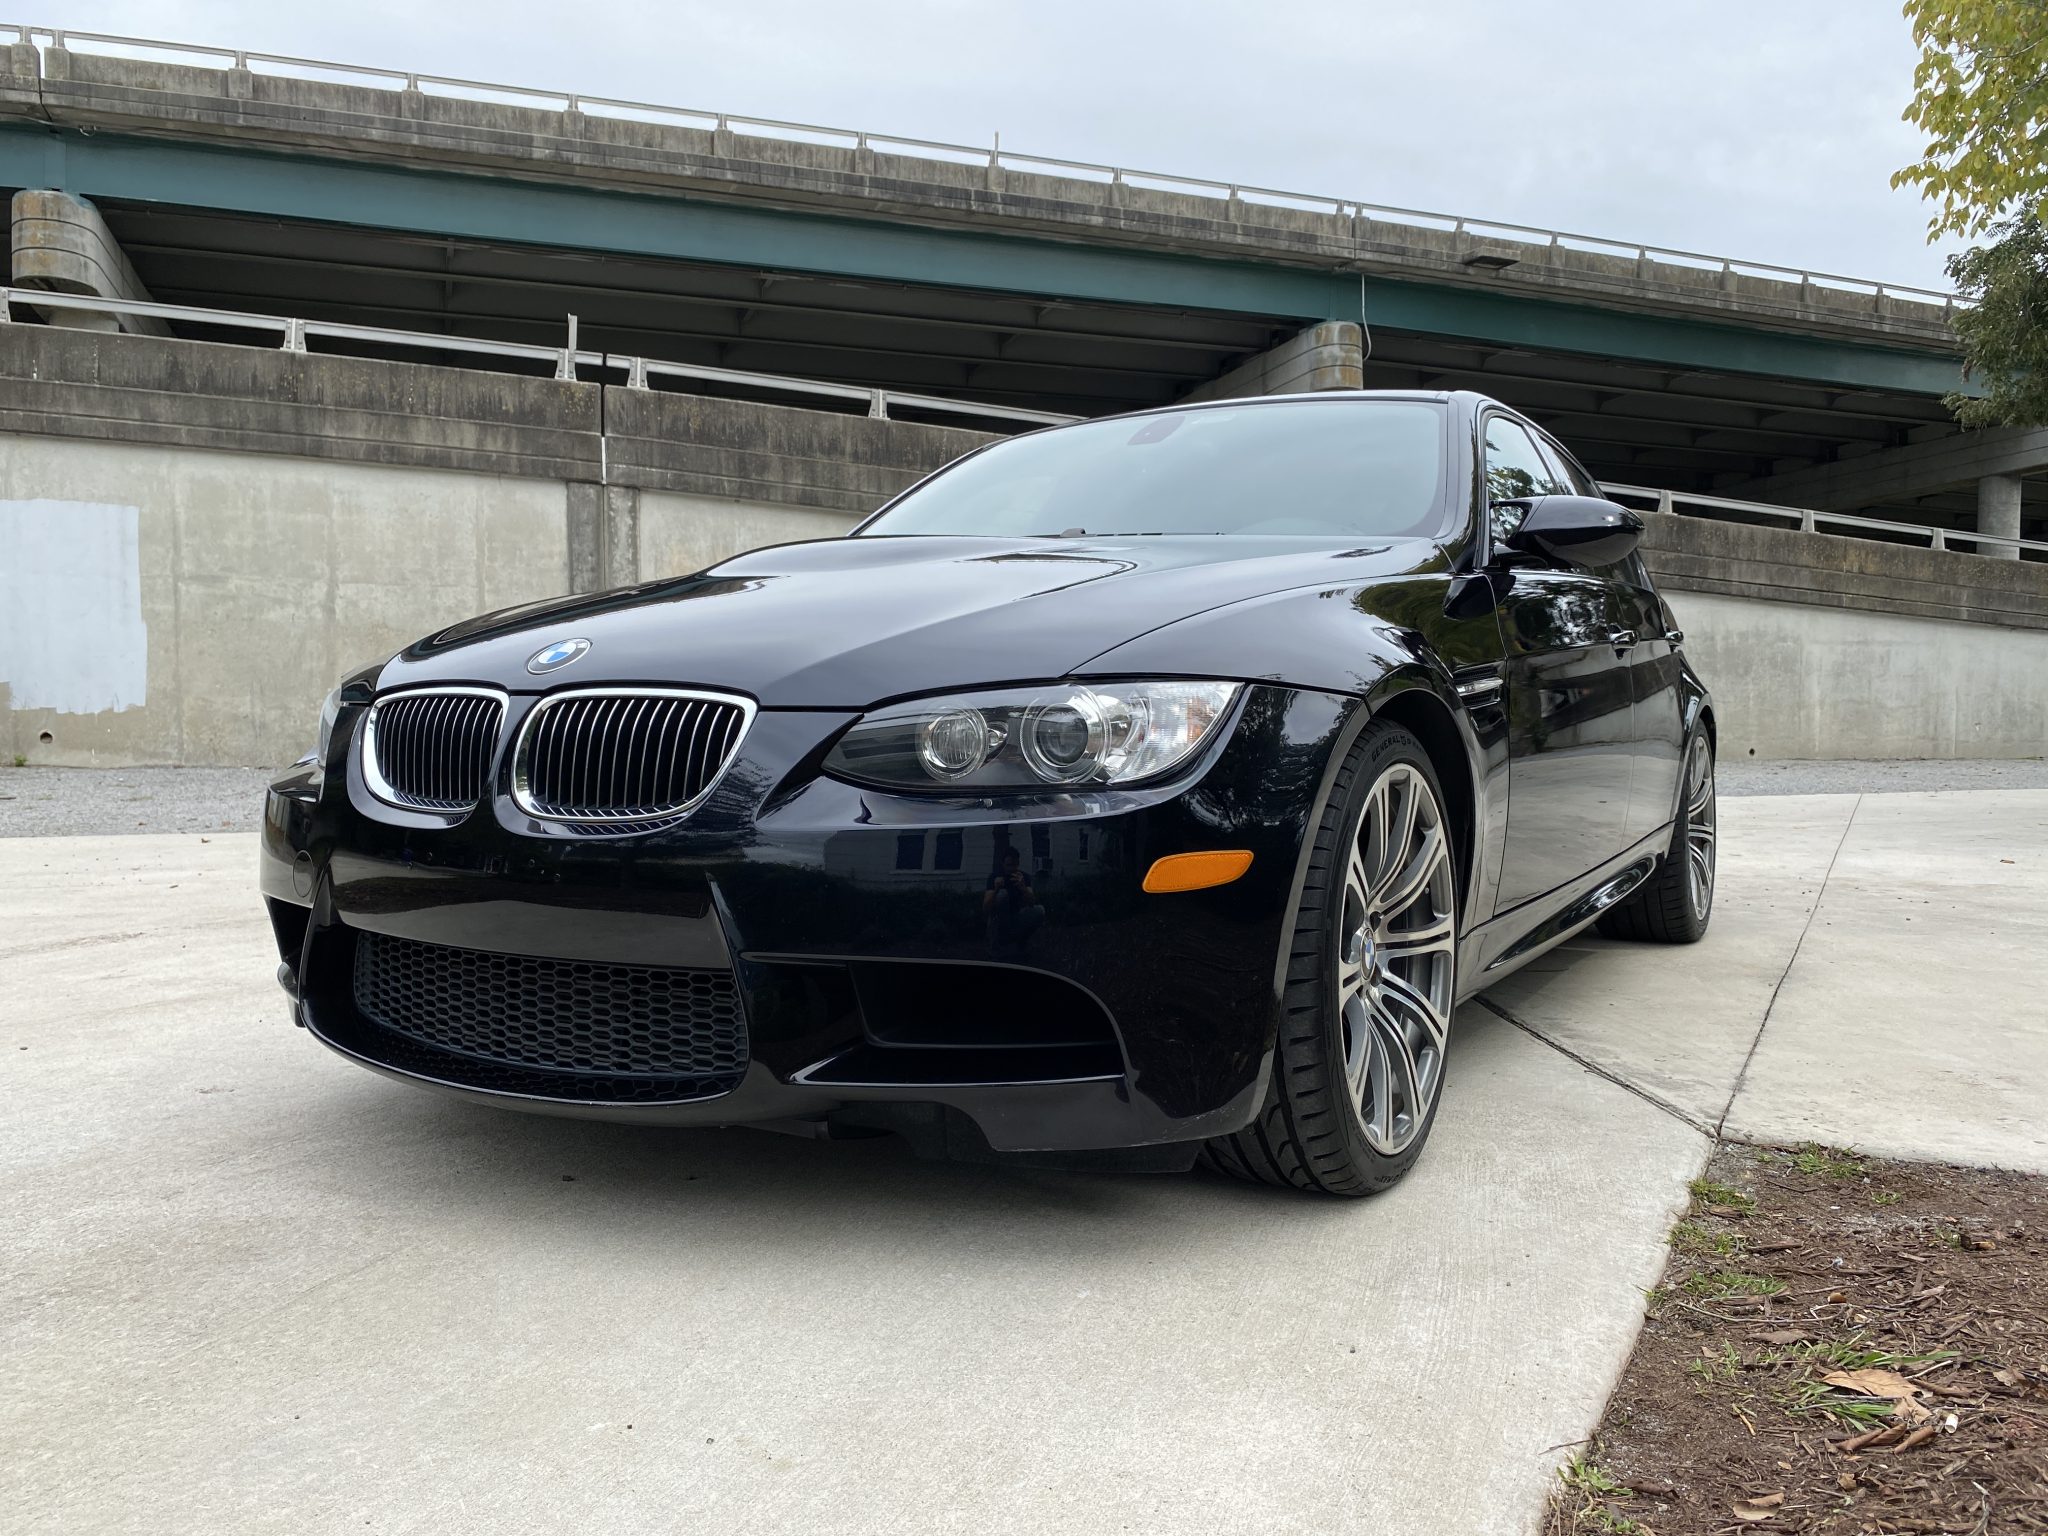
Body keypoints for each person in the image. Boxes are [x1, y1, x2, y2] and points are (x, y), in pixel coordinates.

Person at [982, 848, 1045, 959]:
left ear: (1018, 863)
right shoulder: (995, 877)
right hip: (998, 922)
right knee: (1002, 894)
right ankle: (995, 948)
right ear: (1003, 864)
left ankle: (1021, 944)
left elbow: (1032, 902)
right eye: (1009, 865)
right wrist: (996, 889)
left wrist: (1023, 887)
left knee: (1039, 911)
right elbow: (985, 908)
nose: (1012, 868)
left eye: (1015, 865)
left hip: (1016, 918)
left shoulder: (1023, 877)